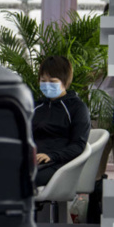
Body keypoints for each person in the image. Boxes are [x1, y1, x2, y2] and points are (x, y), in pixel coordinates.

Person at [32, 55, 91, 187]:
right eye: (43, 81)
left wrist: (52, 156)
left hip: (58, 165)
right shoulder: (36, 106)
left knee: (22, 180)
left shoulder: (77, 108)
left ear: (65, 82)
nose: (47, 86)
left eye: (52, 82)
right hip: (32, 162)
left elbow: (78, 145)